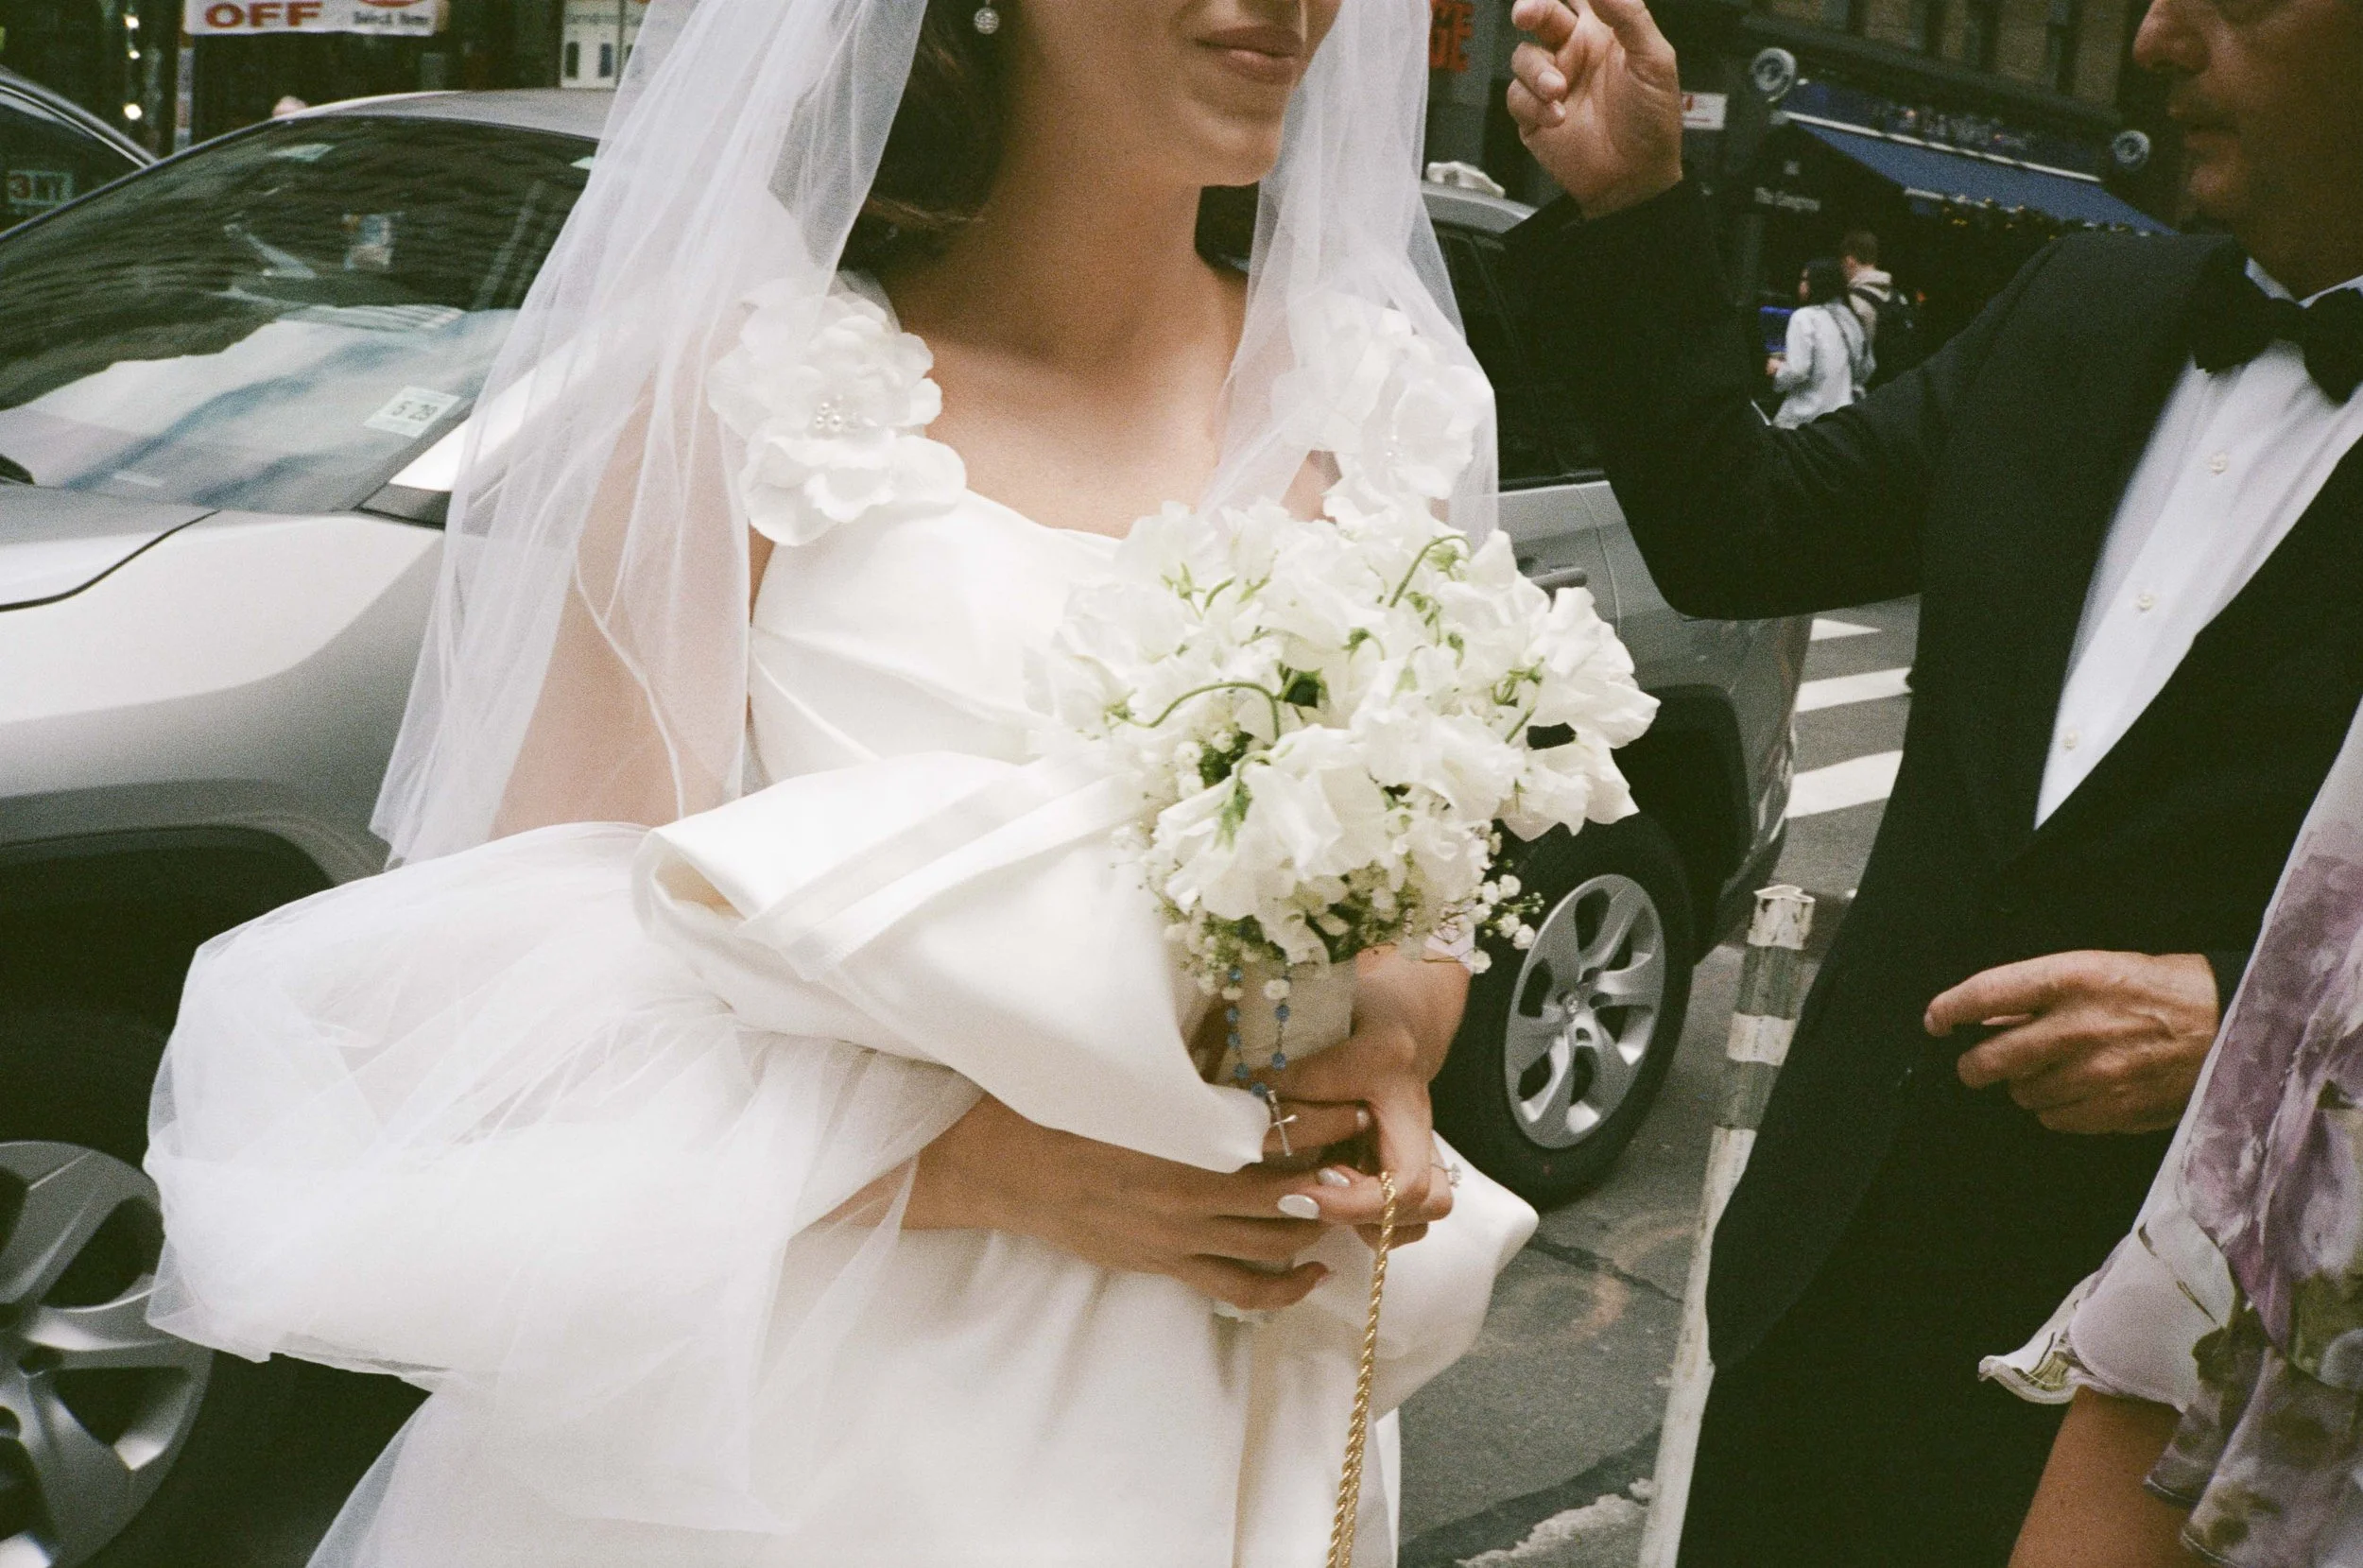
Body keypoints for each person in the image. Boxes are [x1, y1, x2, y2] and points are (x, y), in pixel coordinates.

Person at [140, 1, 1544, 1562]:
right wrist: (978, 1163)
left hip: (1227, 1388)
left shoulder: (1392, 409)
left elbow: (1421, 916)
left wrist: (1388, 1051)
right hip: (826, 1407)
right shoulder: (759, 397)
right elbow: (529, 978)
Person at [1495, 0, 2363, 1559]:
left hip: (2181, 1415)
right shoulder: (2083, 302)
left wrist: (2253, 1024)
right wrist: (1631, 206)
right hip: (1825, 1296)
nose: (2154, 40)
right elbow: (1738, 527)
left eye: (2229, 0)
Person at [1768, 255, 1871, 425]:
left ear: (1816, 283)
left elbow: (1798, 370)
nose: (1800, 284)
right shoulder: (1851, 318)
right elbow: (1867, 367)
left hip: (1805, 418)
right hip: (1843, 417)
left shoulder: (1804, 317)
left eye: (1804, 279)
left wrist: (1778, 370)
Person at [1841, 227, 1923, 388]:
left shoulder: (1855, 300)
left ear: (1850, 261)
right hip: (1896, 384)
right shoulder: (1899, 297)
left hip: (1869, 388)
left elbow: (1856, 355)